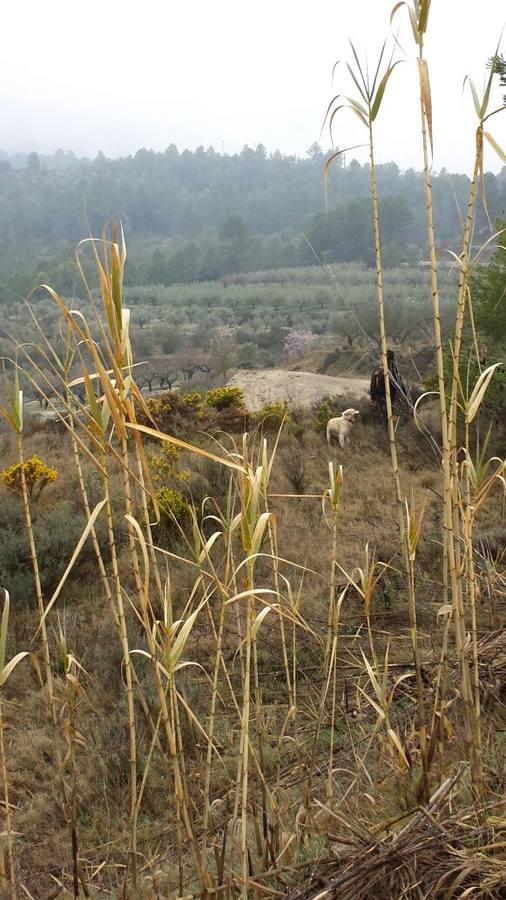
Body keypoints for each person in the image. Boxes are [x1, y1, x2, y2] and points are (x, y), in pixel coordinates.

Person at [370, 350, 404, 430]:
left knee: (384, 417)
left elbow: (373, 385)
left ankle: (386, 434)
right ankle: (387, 434)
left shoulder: (378, 369)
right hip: (388, 398)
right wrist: (401, 397)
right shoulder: (393, 371)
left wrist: (373, 398)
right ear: (392, 359)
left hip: (381, 398)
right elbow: (399, 385)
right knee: (387, 417)